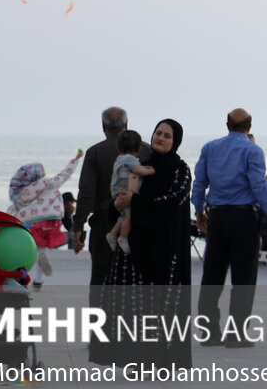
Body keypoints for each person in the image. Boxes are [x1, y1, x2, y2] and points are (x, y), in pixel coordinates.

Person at [92, 119, 193, 369]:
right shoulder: (141, 166)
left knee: (159, 308)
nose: (160, 138)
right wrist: (117, 206)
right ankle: (133, 360)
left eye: (167, 135)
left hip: (165, 251)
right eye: (158, 133)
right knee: (133, 308)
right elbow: (123, 202)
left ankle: (160, 362)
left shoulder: (181, 171)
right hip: (136, 249)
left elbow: (169, 204)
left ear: (175, 141)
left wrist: (135, 203)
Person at [192, 109, 267, 348]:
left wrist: (199, 211)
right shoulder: (253, 150)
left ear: (227, 124)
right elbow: (259, 186)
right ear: (249, 126)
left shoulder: (210, 148)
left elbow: (199, 182)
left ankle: (209, 333)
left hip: (217, 217)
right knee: (243, 277)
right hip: (244, 218)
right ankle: (236, 334)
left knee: (212, 275)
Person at [74, 107, 149, 306]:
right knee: (137, 277)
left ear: (103, 127)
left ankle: (100, 330)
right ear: (126, 125)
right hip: (139, 222)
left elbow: (86, 194)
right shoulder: (146, 150)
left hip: (103, 222)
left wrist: (78, 227)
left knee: (101, 277)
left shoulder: (94, 153)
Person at [7, 150, 83, 291]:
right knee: (42, 248)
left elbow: (17, 205)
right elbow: (65, 174)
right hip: (50, 220)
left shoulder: (25, 191)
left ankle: (23, 276)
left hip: (31, 223)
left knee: (29, 249)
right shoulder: (49, 182)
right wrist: (76, 159)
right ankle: (38, 279)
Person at [108, 130, 154, 255]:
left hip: (117, 192)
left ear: (119, 147)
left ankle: (112, 234)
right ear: (139, 148)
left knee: (123, 216)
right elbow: (139, 171)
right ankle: (123, 238)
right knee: (130, 215)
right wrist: (152, 170)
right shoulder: (129, 159)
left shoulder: (120, 158)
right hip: (124, 191)